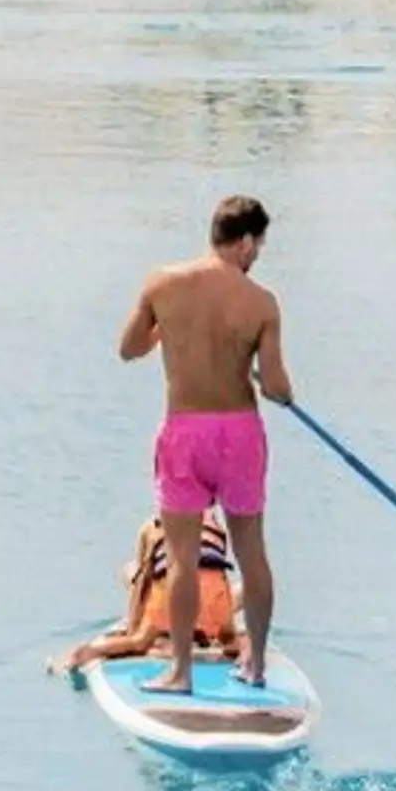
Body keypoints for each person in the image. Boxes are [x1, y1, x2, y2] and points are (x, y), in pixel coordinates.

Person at [118, 195, 294, 694]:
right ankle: (255, 665)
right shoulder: (262, 303)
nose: (256, 255)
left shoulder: (162, 284)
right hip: (239, 433)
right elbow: (278, 388)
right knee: (252, 554)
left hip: (185, 433)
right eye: (258, 246)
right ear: (245, 243)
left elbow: (129, 348)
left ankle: (180, 672)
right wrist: (272, 383)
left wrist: (169, 330)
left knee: (182, 558)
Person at [51, 509, 241, 676]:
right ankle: (235, 645)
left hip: (170, 595)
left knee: (139, 640)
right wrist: (226, 628)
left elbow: (143, 582)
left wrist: (133, 631)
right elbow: (219, 574)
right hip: (213, 595)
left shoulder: (153, 526)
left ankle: (83, 653)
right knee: (230, 639)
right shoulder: (216, 526)